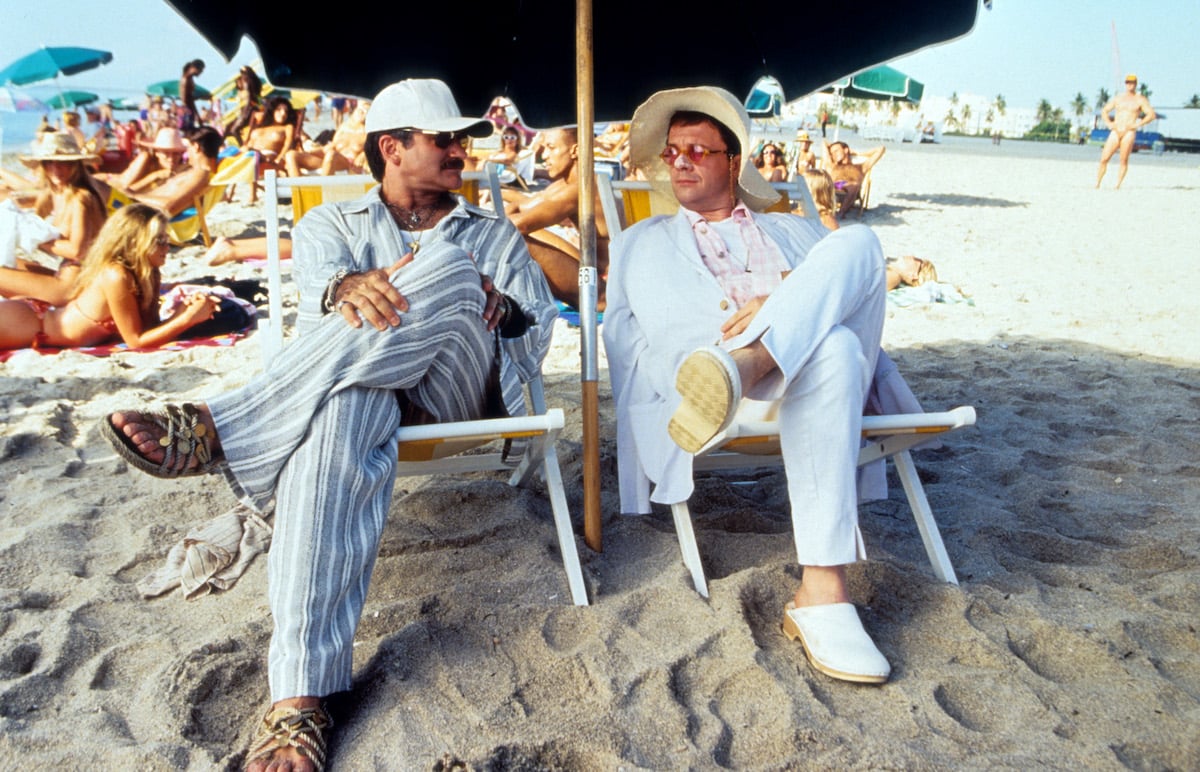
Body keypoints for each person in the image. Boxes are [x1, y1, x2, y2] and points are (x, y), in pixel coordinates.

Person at [101, 79, 556, 770]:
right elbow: (326, 328)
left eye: (463, 139)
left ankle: (225, 426)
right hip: (361, 388)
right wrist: (345, 286)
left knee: (454, 270)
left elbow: (538, 332)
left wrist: (500, 305)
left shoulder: (492, 234)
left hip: (462, 391)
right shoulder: (329, 227)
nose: (461, 150)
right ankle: (298, 698)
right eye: (445, 138)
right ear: (392, 148)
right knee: (345, 406)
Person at [604, 86, 893, 686]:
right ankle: (822, 591)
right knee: (834, 345)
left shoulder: (793, 233)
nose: (679, 161)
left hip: (776, 381)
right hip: (710, 394)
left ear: (734, 162)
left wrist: (777, 306)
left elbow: (846, 292)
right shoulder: (642, 243)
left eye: (698, 151)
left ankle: (751, 360)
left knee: (860, 244)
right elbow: (639, 346)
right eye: (673, 150)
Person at [0, 203, 217, 350]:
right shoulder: (116, 275)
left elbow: (149, 330)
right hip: (29, 324)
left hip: (38, 319)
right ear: (134, 244)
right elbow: (136, 342)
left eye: (166, 239)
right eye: (159, 241)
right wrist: (186, 319)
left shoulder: (148, 271)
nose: (167, 247)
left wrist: (181, 312)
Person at [502, 125, 610, 308]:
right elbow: (524, 204)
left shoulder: (580, 189)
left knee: (513, 237)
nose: (544, 156)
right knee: (527, 233)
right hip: (594, 272)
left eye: (551, 148)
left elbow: (519, 225)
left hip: (604, 290)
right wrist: (497, 193)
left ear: (575, 150)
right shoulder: (568, 184)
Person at [0, 132, 108, 305]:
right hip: (66, 274)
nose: (56, 169)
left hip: (75, 285)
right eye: (50, 162)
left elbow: (77, 251)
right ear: (43, 166)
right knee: (14, 263)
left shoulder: (81, 197)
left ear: (75, 165)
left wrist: (35, 239)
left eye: (64, 163)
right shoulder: (57, 192)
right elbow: (28, 207)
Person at [124, 126, 222, 218]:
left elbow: (169, 208)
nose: (187, 152)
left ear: (196, 147)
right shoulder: (196, 171)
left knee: (108, 190)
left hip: (136, 212)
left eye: (188, 147)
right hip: (137, 206)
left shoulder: (200, 174)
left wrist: (134, 196)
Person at [1096, 74, 1157, 190]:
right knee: (1104, 158)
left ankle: (1117, 185)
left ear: (1136, 84)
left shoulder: (1140, 99)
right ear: (1125, 84)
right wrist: (1109, 123)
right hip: (1116, 130)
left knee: (1123, 160)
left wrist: (1138, 124)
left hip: (1129, 131)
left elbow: (1151, 115)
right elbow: (1105, 110)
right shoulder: (1119, 98)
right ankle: (1098, 183)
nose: (1130, 85)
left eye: (1132, 83)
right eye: (1128, 82)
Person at [285, 99, 369, 177]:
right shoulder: (343, 128)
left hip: (349, 164)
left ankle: (323, 190)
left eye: (366, 111)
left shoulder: (370, 132)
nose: (362, 113)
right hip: (330, 160)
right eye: (361, 110)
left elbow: (377, 150)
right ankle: (298, 191)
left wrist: (365, 153)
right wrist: (311, 152)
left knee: (331, 155)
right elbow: (329, 147)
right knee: (291, 155)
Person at [823, 139, 885, 219]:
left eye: (836, 151)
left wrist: (858, 153)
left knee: (854, 185)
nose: (833, 154)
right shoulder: (832, 166)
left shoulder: (861, 167)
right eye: (831, 153)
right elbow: (824, 143)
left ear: (846, 150)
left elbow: (881, 149)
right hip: (833, 188)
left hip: (851, 191)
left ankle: (841, 213)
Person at [226, 65, 263, 142]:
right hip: (251, 107)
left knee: (234, 130)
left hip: (249, 108)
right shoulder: (255, 82)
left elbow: (249, 97)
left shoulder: (247, 81)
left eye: (242, 72)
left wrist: (246, 111)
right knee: (232, 128)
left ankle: (243, 145)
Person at [178, 59, 206, 131]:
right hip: (187, 110)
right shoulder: (186, 79)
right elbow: (185, 99)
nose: (201, 73)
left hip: (189, 109)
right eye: (201, 70)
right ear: (194, 68)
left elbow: (190, 98)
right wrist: (192, 114)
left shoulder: (189, 79)